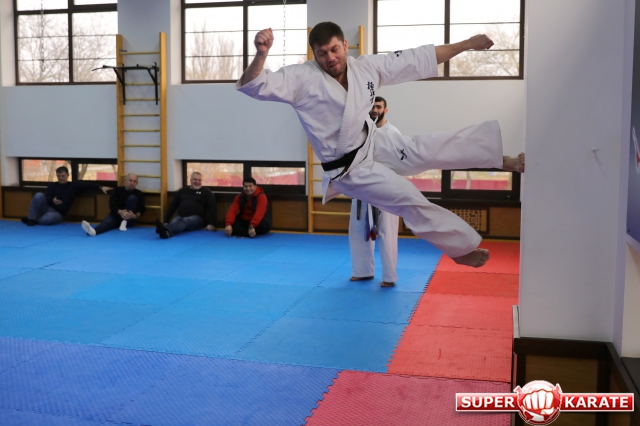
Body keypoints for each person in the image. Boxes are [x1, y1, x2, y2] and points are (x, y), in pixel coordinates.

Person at [235, 22, 525, 267]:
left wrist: (467, 44)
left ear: (345, 45)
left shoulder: (366, 67)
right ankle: (459, 249)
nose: (330, 58)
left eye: (335, 50)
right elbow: (254, 85)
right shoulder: (301, 78)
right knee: (409, 198)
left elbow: (415, 59)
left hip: (373, 140)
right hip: (350, 169)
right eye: (322, 53)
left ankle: (500, 159)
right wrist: (261, 54)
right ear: (314, 54)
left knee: (428, 147)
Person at [350, 96, 400, 287]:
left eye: (378, 107)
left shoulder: (393, 133)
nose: (374, 110)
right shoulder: (360, 131)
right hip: (362, 188)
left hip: (386, 189)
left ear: (385, 110)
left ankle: (389, 276)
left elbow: (398, 163)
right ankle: (362, 271)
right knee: (358, 231)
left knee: (387, 233)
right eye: (372, 107)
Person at [21, 166, 111, 226]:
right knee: (38, 195)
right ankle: (31, 219)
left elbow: (88, 185)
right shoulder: (52, 185)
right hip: (47, 208)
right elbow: (47, 197)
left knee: (48, 218)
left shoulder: (74, 185)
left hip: (58, 214)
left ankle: (35, 220)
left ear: (67, 175)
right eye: (59, 176)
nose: (61, 178)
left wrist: (101, 187)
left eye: (63, 176)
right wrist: (53, 200)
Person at [155, 171, 217, 239]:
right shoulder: (182, 191)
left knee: (184, 221)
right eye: (195, 179)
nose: (197, 182)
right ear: (190, 180)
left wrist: (212, 224)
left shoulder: (206, 192)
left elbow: (213, 208)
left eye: (199, 180)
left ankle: (164, 228)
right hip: (180, 217)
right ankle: (166, 233)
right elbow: (172, 206)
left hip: (197, 219)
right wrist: (165, 221)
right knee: (174, 224)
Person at [81, 173, 145, 236]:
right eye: (130, 180)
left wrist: (134, 216)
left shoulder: (139, 194)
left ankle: (124, 221)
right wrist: (120, 212)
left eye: (134, 181)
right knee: (106, 223)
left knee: (132, 198)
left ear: (137, 183)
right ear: (125, 180)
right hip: (116, 215)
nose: (132, 183)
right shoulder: (117, 190)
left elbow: (142, 209)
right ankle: (93, 231)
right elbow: (112, 204)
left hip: (130, 219)